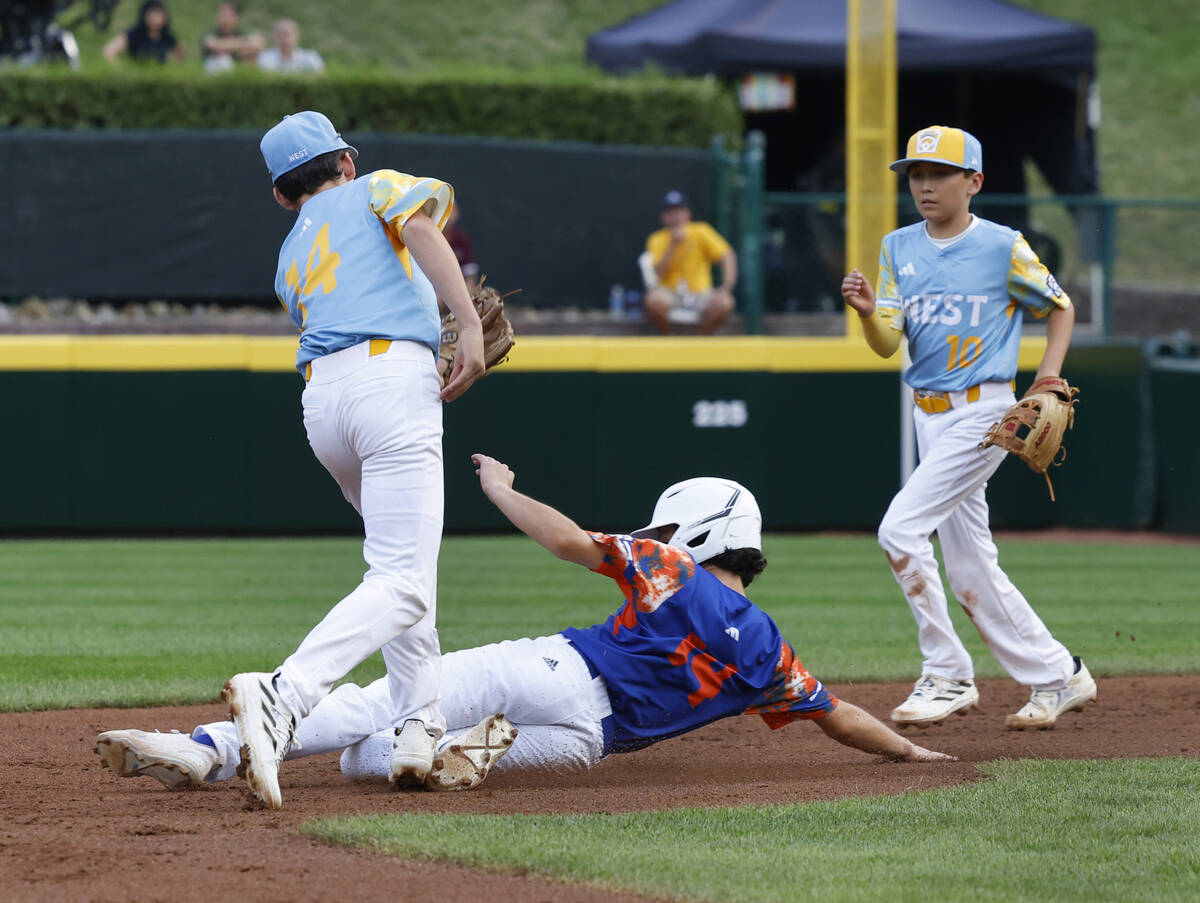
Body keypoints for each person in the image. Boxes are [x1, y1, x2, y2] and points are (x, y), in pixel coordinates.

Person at [95, 463, 952, 794]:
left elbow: (573, 540)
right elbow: (839, 716)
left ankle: (208, 745)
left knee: (382, 701)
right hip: (591, 740)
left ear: (697, 533)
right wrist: (913, 753)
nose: (655, 541)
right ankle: (441, 752)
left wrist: (502, 488)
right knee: (368, 761)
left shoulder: (672, 571)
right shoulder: (771, 651)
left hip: (556, 671)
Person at [218, 111, 488, 810]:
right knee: (401, 579)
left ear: (281, 194)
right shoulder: (375, 187)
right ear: (347, 160)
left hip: (324, 403)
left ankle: (416, 727)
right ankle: (284, 694)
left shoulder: (287, 255)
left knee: (403, 568)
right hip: (389, 381)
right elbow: (423, 228)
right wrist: (467, 323)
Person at [840, 125, 1097, 731]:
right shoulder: (899, 246)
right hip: (928, 413)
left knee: (900, 531)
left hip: (984, 413)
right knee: (971, 565)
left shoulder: (1002, 245)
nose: (924, 185)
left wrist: (1048, 378)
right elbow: (886, 343)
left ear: (973, 182)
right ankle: (1059, 675)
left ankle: (948, 673)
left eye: (939, 174)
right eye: (916, 175)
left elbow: (1060, 307)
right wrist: (864, 313)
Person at [643, 190, 737, 335]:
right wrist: (673, 245)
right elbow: (658, 274)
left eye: (679, 211)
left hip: (701, 294)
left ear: (687, 214)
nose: (676, 216)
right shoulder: (656, 239)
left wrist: (726, 286)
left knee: (725, 303)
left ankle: (702, 339)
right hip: (671, 294)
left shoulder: (701, 231)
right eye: (670, 212)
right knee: (654, 301)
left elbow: (727, 255)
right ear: (663, 217)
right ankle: (669, 339)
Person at [102, 0, 184, 64]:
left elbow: (180, 54)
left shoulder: (167, 35)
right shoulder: (135, 33)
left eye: (160, 16)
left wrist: (172, 61)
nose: (156, 20)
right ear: (145, 15)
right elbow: (109, 50)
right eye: (153, 15)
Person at [201, 1, 263, 73]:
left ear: (236, 17)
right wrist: (244, 43)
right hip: (214, 72)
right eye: (220, 14)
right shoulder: (211, 33)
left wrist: (227, 45)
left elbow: (258, 45)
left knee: (251, 57)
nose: (222, 18)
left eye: (226, 15)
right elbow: (214, 45)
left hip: (240, 70)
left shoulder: (242, 33)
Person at [256, 18, 324, 73]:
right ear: (274, 37)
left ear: (297, 36)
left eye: (287, 35)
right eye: (280, 35)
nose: (284, 39)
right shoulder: (265, 57)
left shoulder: (311, 57)